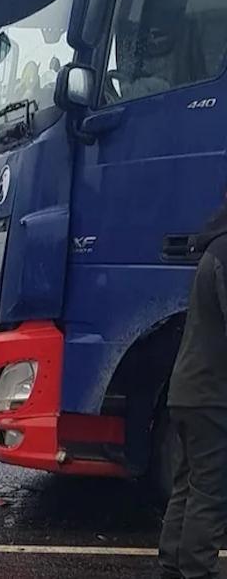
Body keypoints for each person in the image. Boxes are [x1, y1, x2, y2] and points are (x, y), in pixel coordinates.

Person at [160, 198, 227, 579]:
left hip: (188, 390)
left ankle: (173, 557)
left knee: (189, 480)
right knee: (212, 486)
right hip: (212, 394)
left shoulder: (214, 248)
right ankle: (199, 567)